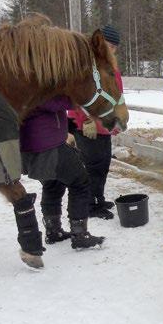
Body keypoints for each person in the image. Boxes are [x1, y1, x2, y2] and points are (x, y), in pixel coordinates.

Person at [20, 95, 104, 249]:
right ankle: (80, 235)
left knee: (53, 183)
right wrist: (73, 98)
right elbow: (53, 101)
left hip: (34, 144)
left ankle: (54, 231)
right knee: (80, 181)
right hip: (47, 144)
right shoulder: (38, 84)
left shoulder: (25, 80)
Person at [67, 24, 123, 221]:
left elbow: (116, 95)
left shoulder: (110, 66)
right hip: (89, 126)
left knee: (104, 163)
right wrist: (84, 120)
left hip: (105, 124)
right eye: (109, 45)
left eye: (115, 47)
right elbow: (74, 96)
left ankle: (98, 198)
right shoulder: (84, 66)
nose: (112, 50)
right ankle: (90, 204)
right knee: (92, 166)